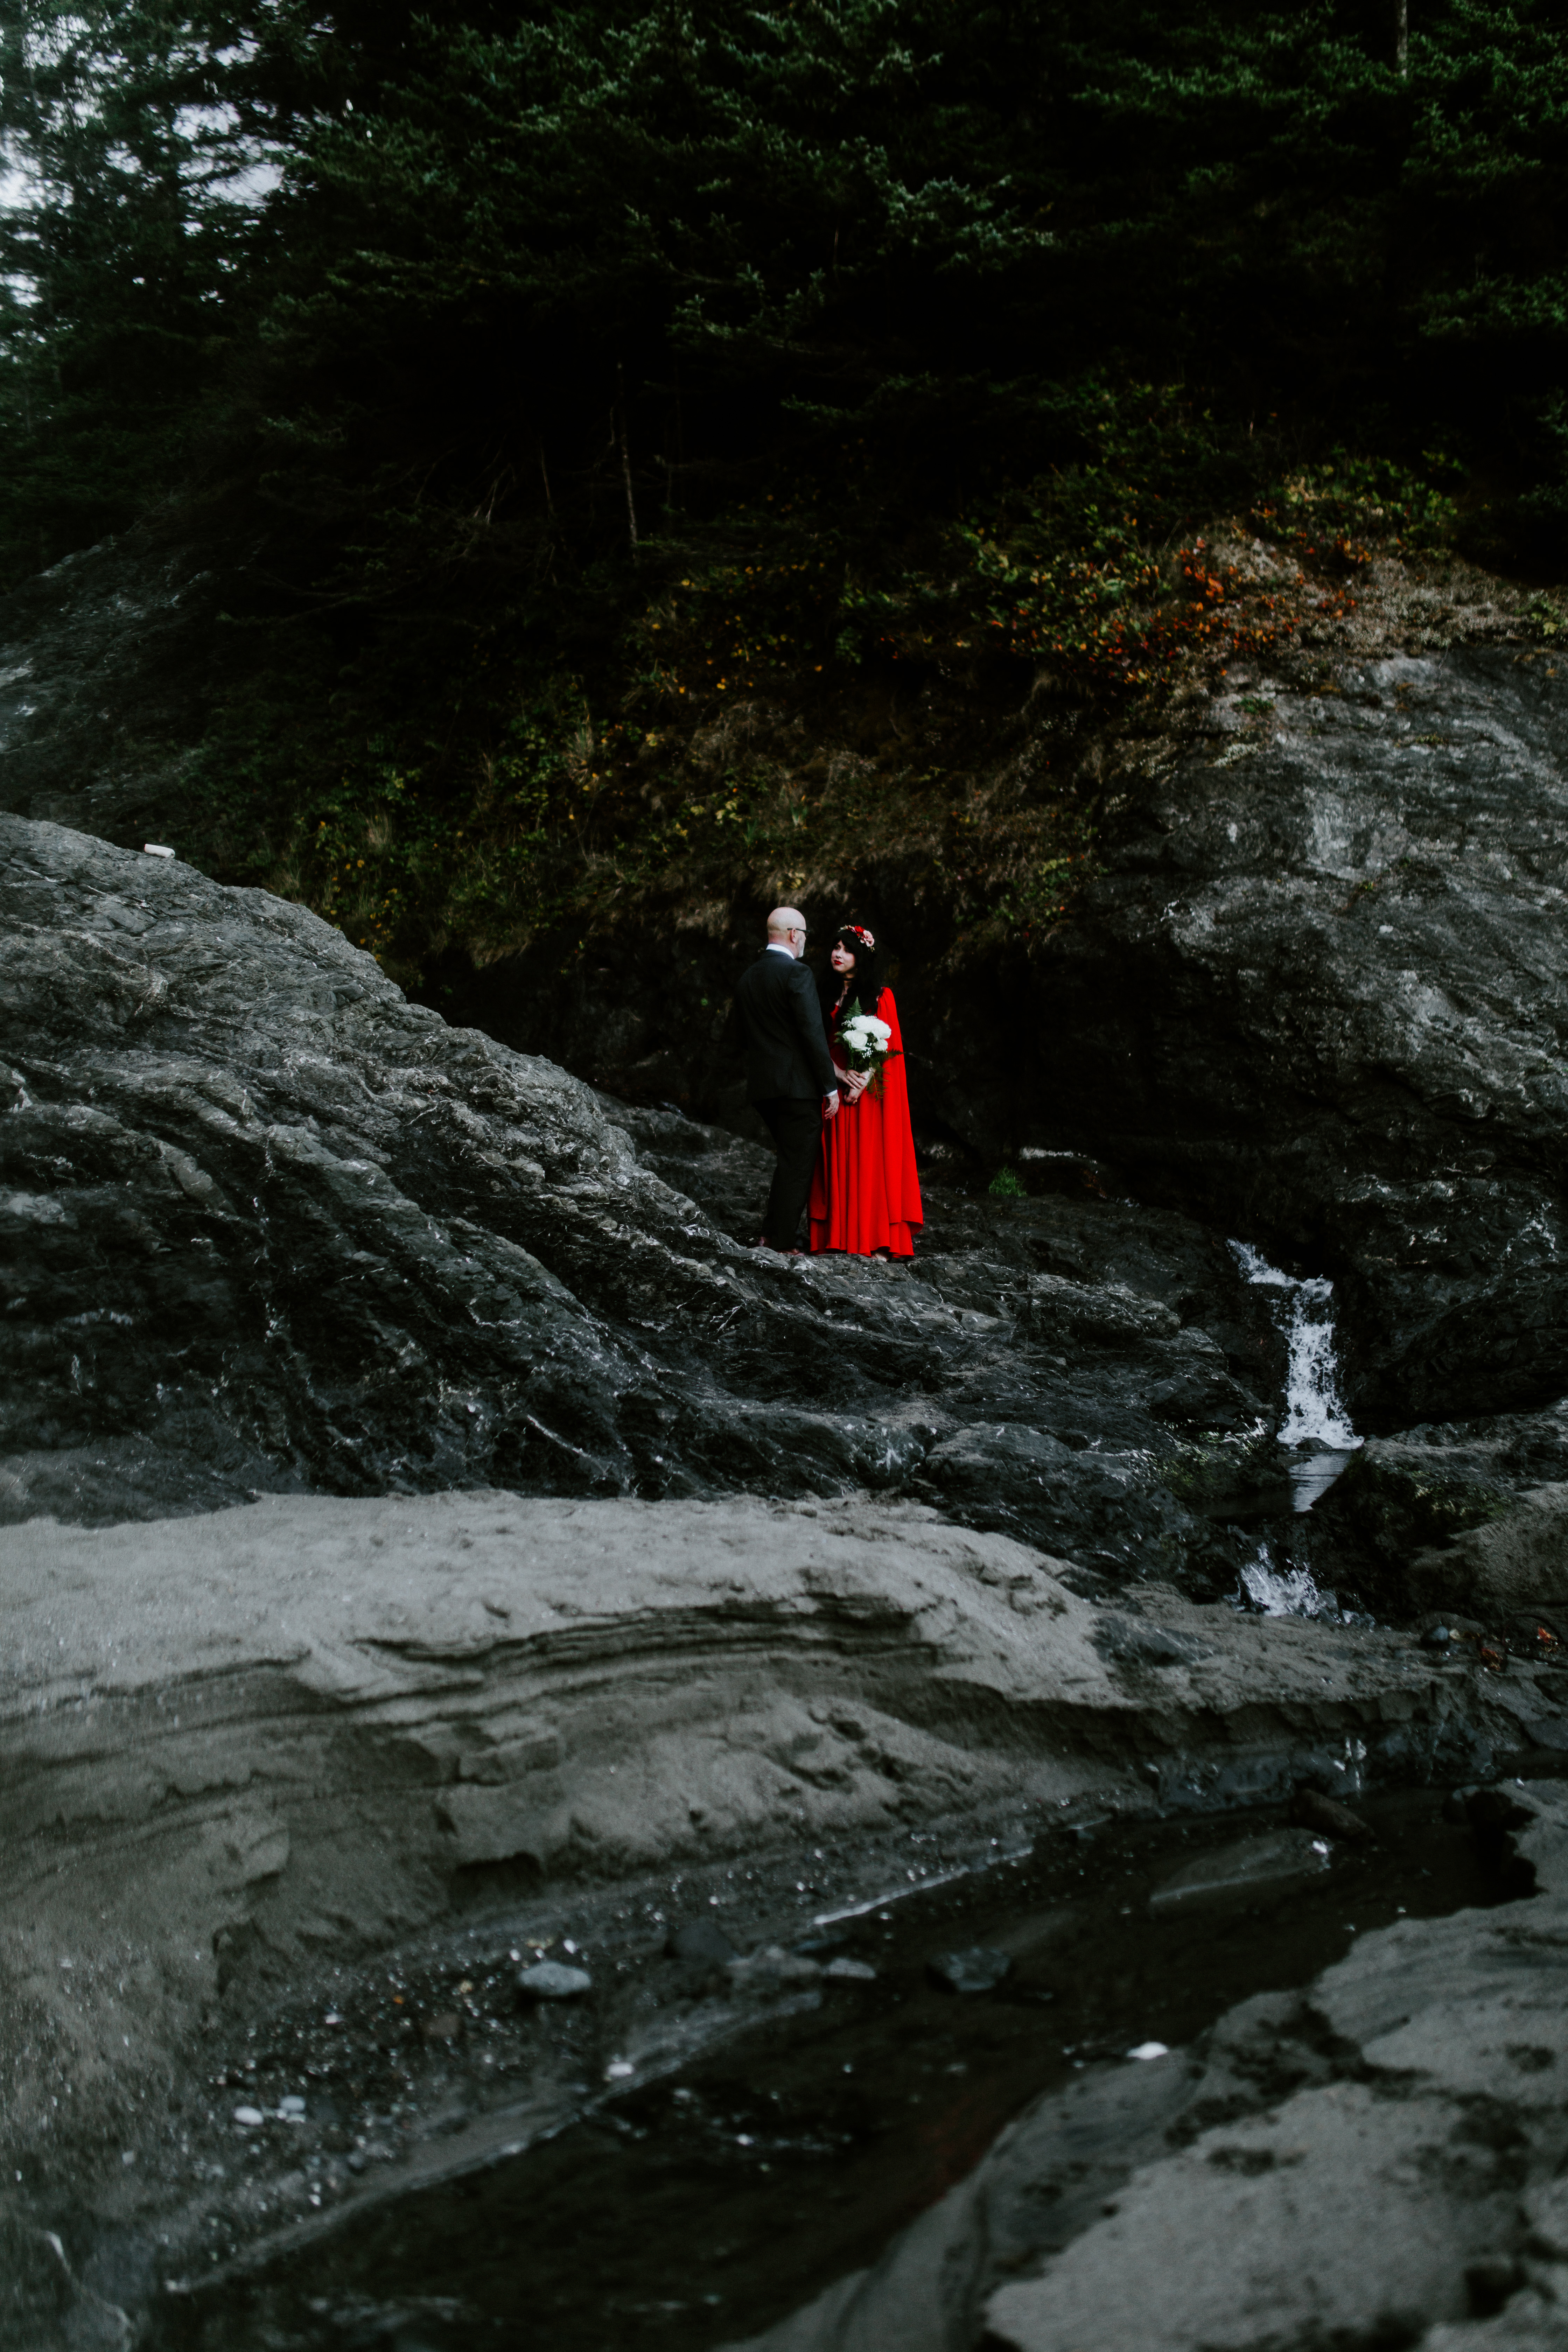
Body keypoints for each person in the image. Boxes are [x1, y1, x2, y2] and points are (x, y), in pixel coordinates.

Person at [730, 906, 841, 1253]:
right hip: (797, 1088)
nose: (805, 940)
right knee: (798, 1165)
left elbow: (737, 1036)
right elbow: (812, 1033)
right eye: (804, 934)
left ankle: (770, 1233)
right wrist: (830, 1086)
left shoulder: (748, 977)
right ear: (794, 934)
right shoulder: (797, 973)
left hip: (764, 1089)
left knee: (789, 1160)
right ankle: (780, 1243)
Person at [808, 922, 922, 1258]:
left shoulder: (881, 996)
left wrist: (861, 1080)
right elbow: (813, 1043)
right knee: (834, 1163)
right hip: (832, 1086)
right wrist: (838, 1076)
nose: (838, 954)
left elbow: (890, 1045)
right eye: (836, 947)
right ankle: (836, 1238)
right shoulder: (820, 994)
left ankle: (876, 1240)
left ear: (862, 957)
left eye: (847, 950)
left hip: (867, 1093)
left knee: (870, 1162)